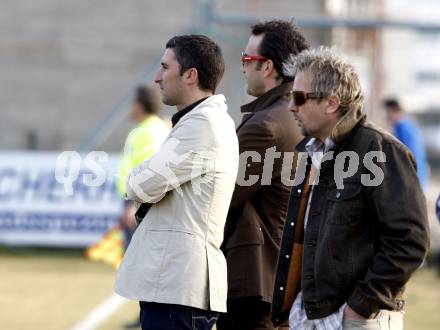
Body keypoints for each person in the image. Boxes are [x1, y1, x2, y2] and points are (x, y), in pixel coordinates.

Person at [271, 47, 429, 330]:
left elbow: (410, 241)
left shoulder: (381, 150)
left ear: (331, 103)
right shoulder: (312, 153)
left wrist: (361, 306)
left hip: (359, 319)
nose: (291, 107)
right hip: (313, 317)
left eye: (298, 97)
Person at [115, 34, 239, 330]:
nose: (157, 78)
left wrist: (138, 179)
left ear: (190, 75)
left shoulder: (202, 124)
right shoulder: (196, 120)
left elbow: (139, 186)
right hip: (175, 284)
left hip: (178, 286)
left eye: (164, 67)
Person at [217, 20, 309, 330]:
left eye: (247, 59)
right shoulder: (291, 114)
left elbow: (218, 196)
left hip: (256, 283)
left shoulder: (267, 124)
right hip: (277, 279)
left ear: (267, 66)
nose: (242, 67)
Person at [117, 85, 170, 251]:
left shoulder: (148, 131)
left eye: (132, 103)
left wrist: (135, 205)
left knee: (135, 258)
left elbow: (151, 172)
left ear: (139, 106)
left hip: (137, 200)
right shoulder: (151, 128)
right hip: (135, 198)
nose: (130, 107)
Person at [383, 98, 429, 190]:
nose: (385, 115)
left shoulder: (404, 128)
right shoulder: (405, 125)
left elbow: (408, 154)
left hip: (412, 178)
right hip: (414, 176)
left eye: (386, 111)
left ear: (392, 110)